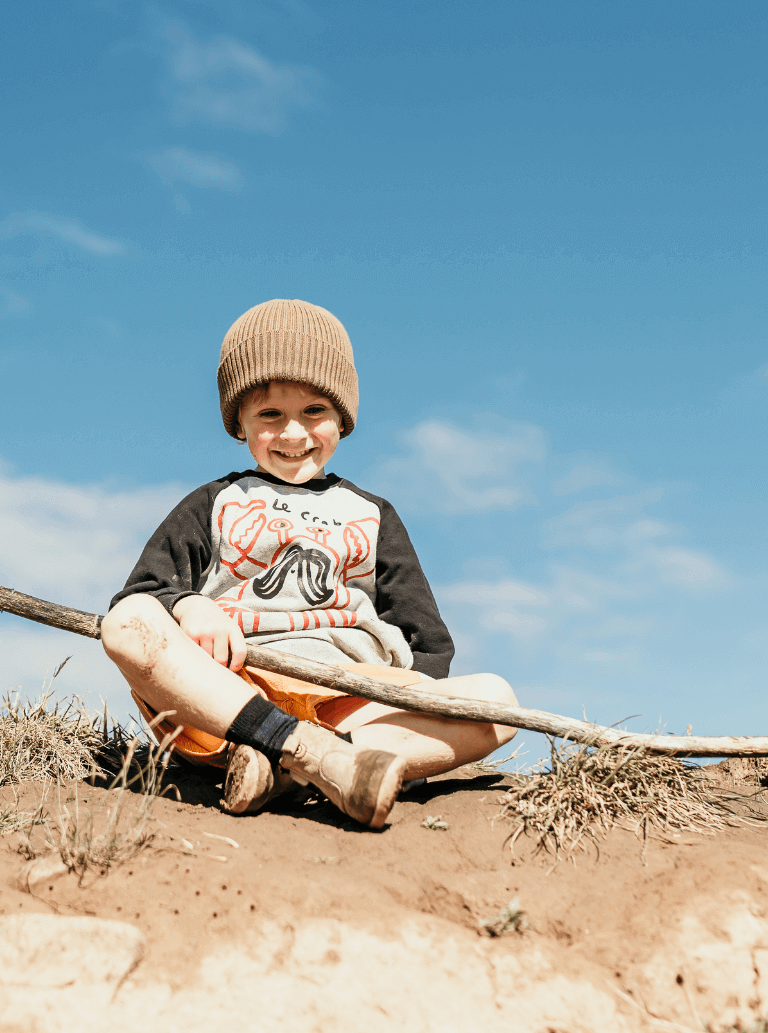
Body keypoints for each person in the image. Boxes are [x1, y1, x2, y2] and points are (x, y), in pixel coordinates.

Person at [101, 298, 518, 830]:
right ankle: (291, 747)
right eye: (270, 415)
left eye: (314, 412)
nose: (294, 434)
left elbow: (428, 645)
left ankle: (303, 765)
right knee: (127, 625)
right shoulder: (215, 503)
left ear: (342, 418)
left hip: (353, 698)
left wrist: (413, 718)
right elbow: (143, 592)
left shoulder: (372, 515)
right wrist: (190, 608)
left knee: (494, 701)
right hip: (232, 699)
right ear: (240, 424)